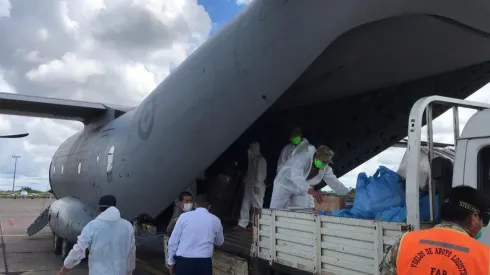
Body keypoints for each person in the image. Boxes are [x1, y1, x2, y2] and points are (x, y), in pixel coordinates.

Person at [380, 185, 490, 275]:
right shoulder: (485, 258)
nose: (482, 225)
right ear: (474, 217)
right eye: (484, 220)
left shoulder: (404, 242)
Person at [57, 195, 136, 275]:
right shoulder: (128, 226)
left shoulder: (92, 226)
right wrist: (129, 272)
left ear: (99, 209)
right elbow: (131, 255)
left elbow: (78, 250)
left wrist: (64, 270)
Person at [270, 145, 350, 209]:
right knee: (276, 210)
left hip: (301, 189)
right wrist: (313, 192)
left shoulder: (325, 167)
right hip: (284, 184)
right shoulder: (302, 158)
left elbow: (335, 183)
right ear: (316, 155)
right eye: (322, 161)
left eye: (326, 162)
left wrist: (348, 195)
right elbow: (296, 177)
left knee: (301, 211)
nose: (323, 164)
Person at [167, 193, 224, 275]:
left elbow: (173, 241)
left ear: (195, 204)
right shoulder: (215, 220)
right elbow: (220, 242)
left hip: (184, 262)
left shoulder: (183, 217)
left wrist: (171, 261)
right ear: (209, 206)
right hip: (204, 263)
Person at [237, 142, 267, 230]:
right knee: (245, 204)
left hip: (257, 186)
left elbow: (261, 174)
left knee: (257, 206)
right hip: (250, 186)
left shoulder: (260, 159)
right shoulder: (252, 159)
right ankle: (243, 223)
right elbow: (249, 173)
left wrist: (257, 184)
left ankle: (257, 225)